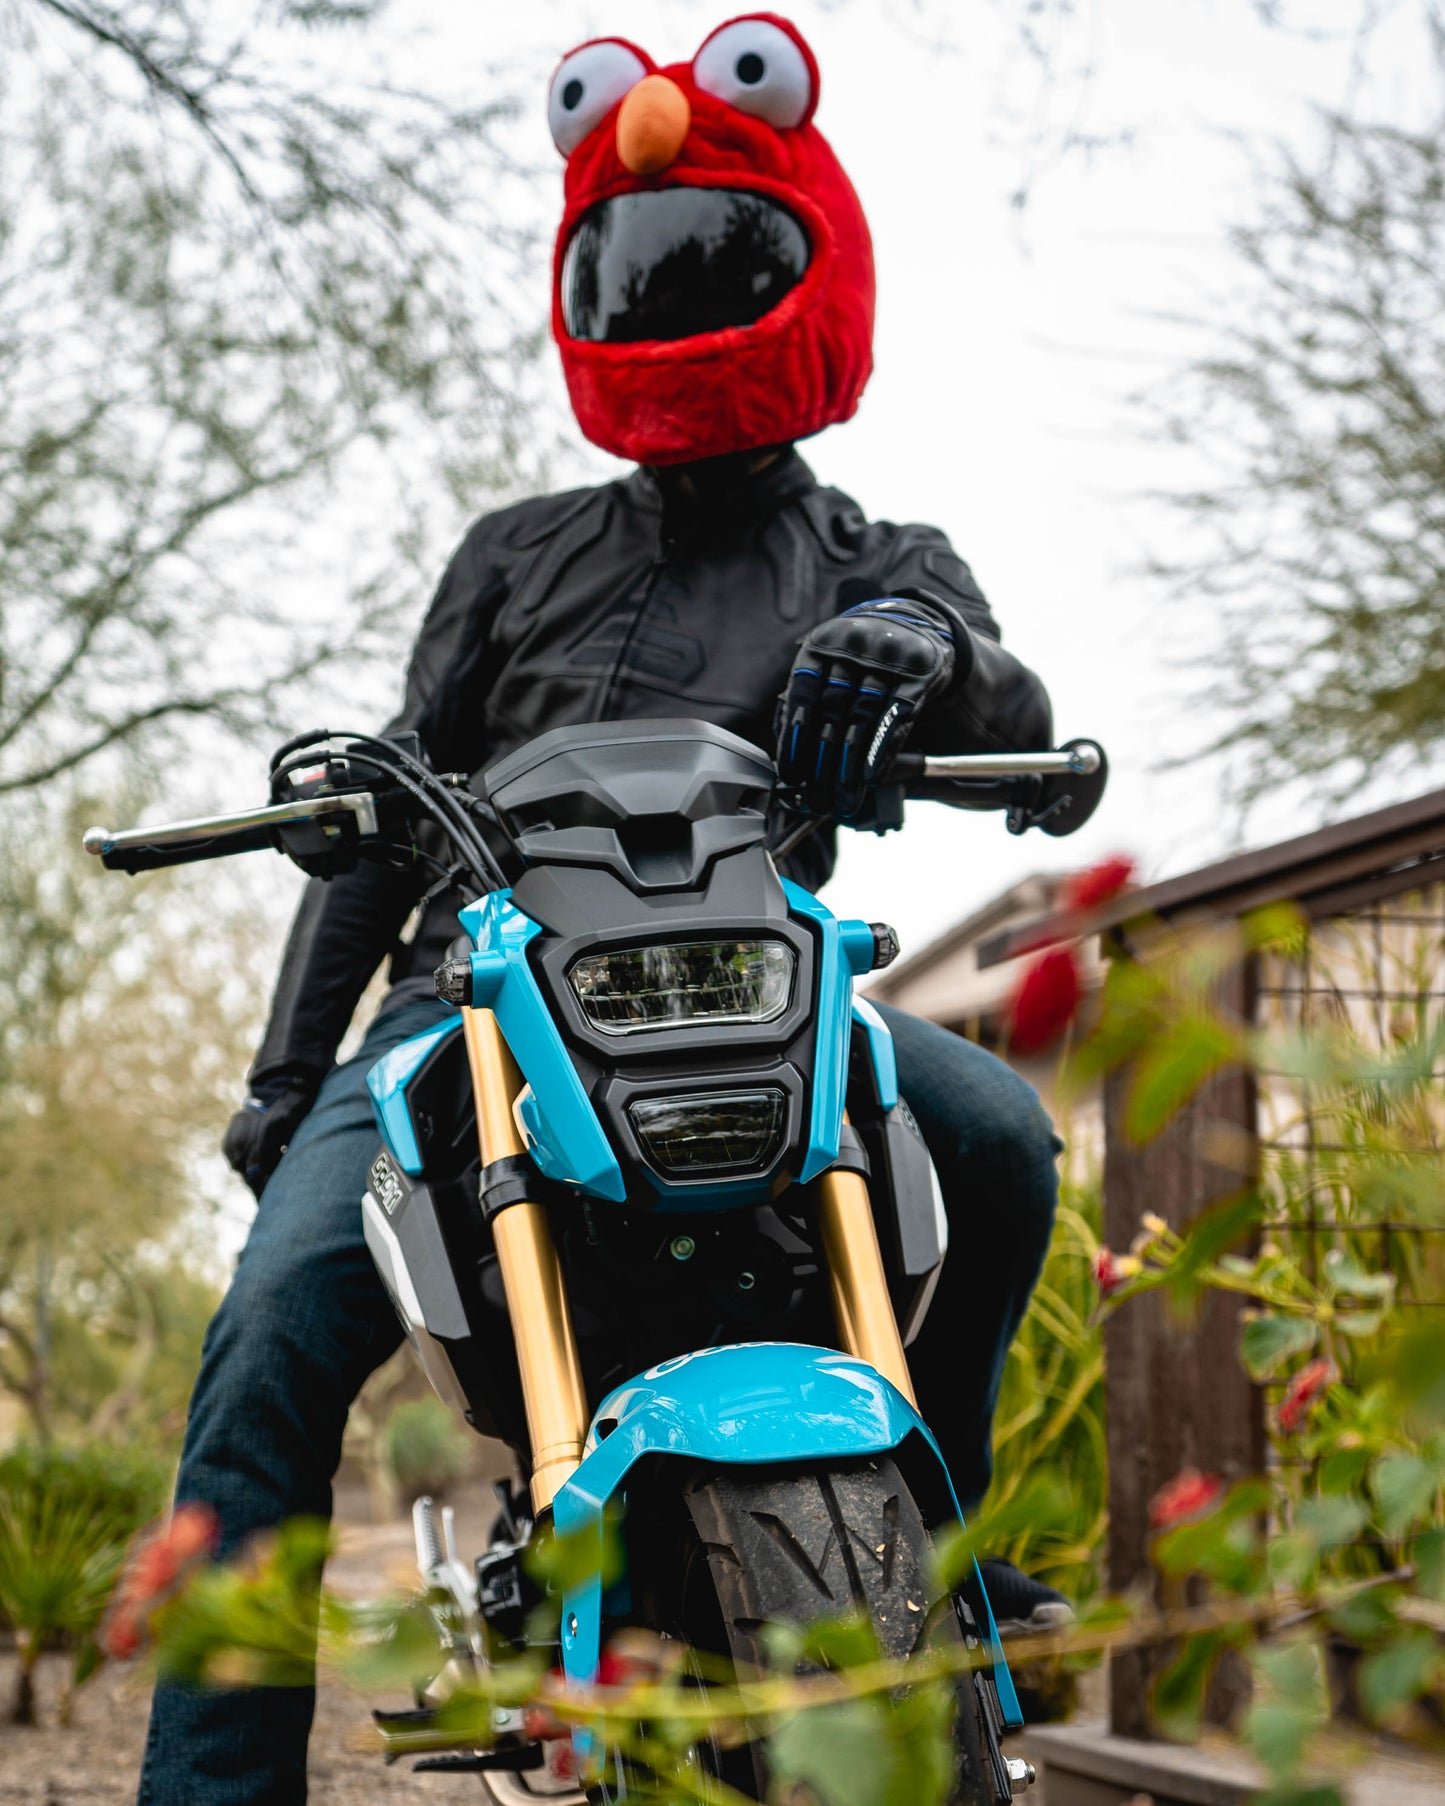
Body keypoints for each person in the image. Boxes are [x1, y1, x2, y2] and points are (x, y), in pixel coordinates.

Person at [138, 16, 1068, 1803]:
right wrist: (281, 1080)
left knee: (1002, 1136)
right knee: (265, 1336)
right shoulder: (510, 556)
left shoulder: (886, 559)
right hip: (461, 1022)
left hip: (772, 1015)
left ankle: (931, 1537)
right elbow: (379, 809)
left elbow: (1008, 714)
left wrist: (931, 650)